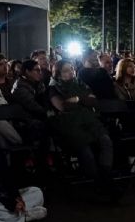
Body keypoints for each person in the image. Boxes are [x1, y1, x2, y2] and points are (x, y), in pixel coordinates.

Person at [47, 60, 116, 188]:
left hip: (89, 121)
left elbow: (94, 101)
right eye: (66, 71)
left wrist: (78, 99)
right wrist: (84, 99)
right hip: (70, 125)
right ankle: (97, 181)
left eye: (72, 69)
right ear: (58, 74)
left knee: (105, 140)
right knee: (85, 150)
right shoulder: (54, 88)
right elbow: (63, 106)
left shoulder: (80, 83)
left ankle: (105, 175)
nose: (71, 73)